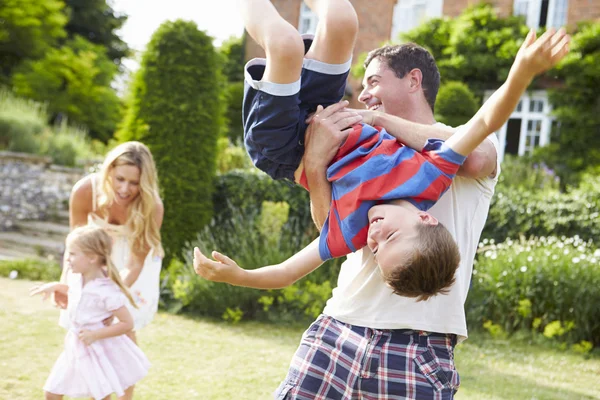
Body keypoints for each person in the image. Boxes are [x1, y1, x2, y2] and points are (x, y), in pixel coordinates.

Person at [194, 0, 570, 300]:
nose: (372, 240)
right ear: (427, 219)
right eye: (387, 238)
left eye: (375, 249)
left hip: (282, 149)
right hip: (329, 115)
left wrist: (239, 276)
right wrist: (521, 72)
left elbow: (287, 272)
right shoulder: (431, 175)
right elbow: (485, 121)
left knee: (285, 44)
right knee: (342, 19)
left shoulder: (352, 231)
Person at [266, 29, 568, 400]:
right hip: (340, 325)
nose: (362, 95)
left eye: (374, 80)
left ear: (414, 80)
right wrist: (315, 164)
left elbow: (474, 159)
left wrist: (379, 122)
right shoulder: (364, 156)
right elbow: (334, 229)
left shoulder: (460, 138)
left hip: (420, 345)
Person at [56, 141, 163, 399]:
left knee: (124, 329)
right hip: (94, 254)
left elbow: (135, 263)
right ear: (108, 171)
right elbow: (75, 246)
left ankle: (126, 396)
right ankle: (96, 392)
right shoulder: (85, 191)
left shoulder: (152, 206)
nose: (125, 189)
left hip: (132, 267)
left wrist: (109, 297)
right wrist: (67, 285)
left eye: (134, 183)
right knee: (87, 325)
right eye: (119, 179)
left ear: (145, 182)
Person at [31, 225, 150, 400]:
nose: (68, 259)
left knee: (99, 395)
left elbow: (127, 323)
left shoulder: (107, 291)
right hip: (75, 346)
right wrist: (55, 287)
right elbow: (75, 292)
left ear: (92, 257)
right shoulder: (76, 278)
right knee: (52, 392)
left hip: (97, 348)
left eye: (72, 254)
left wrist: (95, 335)